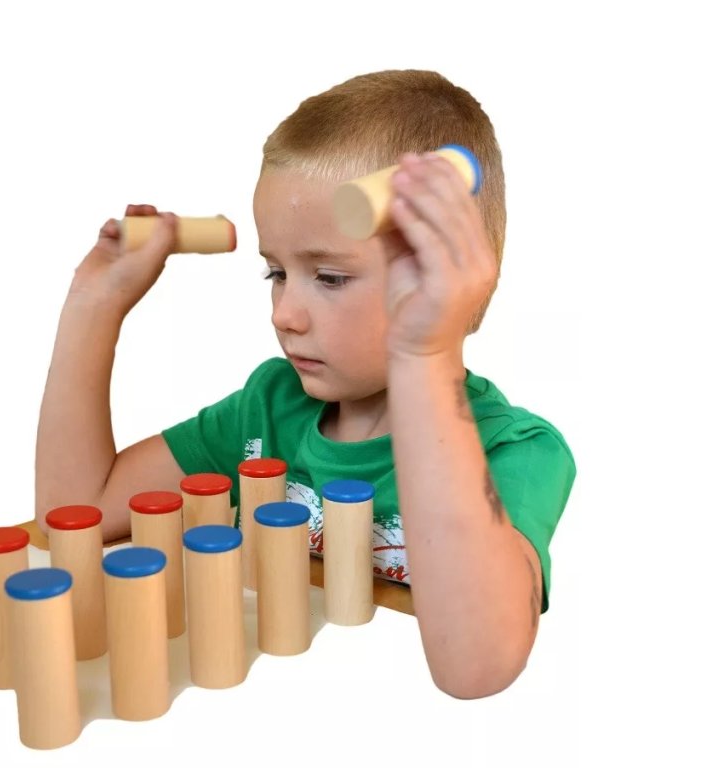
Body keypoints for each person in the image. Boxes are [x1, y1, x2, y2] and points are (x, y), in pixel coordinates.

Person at [34, 69, 576, 699]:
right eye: (276, 274)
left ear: (445, 272)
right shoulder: (269, 410)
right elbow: (74, 515)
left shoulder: (517, 452)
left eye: (330, 277)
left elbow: (474, 671)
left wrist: (424, 353)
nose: (284, 314)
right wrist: (92, 307)